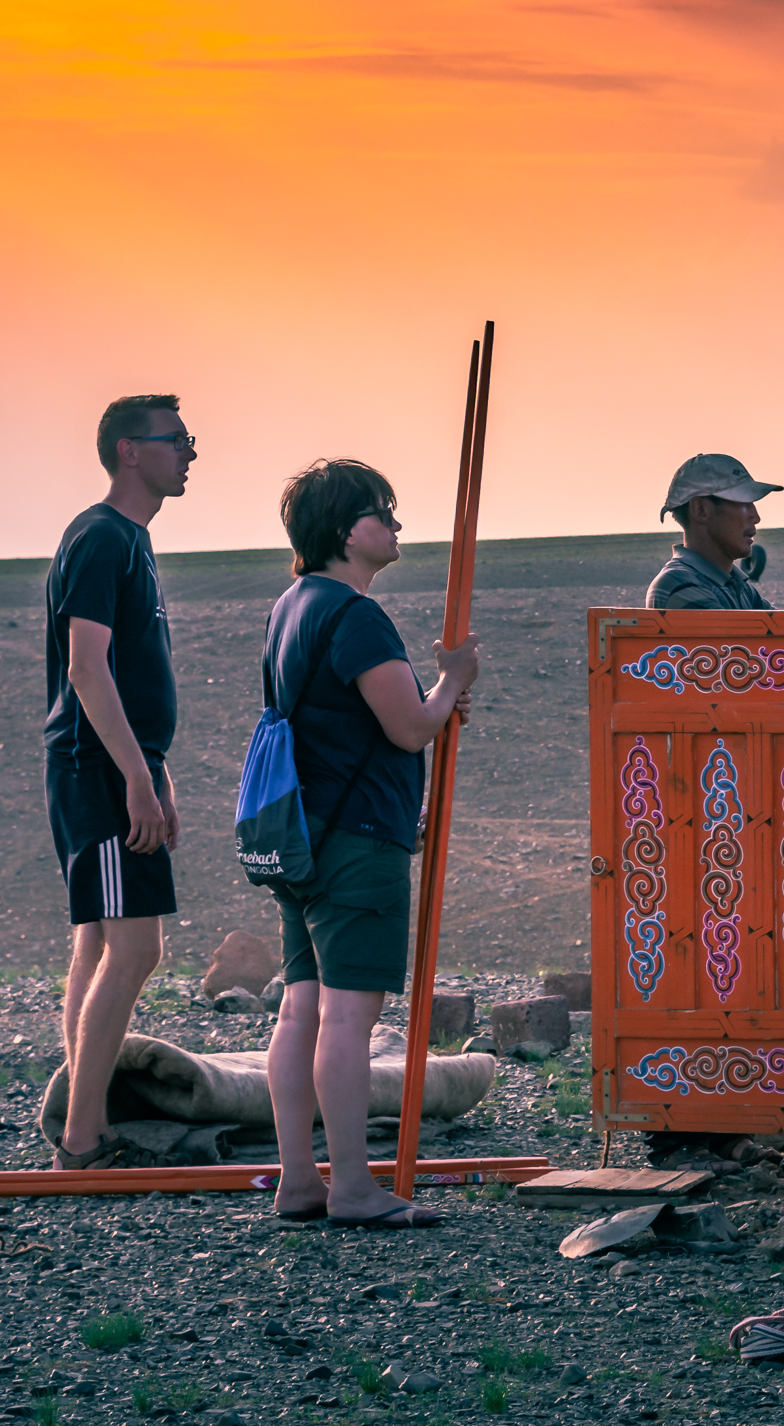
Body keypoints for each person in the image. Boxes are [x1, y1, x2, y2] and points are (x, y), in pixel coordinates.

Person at [261, 460, 481, 1228]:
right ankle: (353, 1187)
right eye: (379, 512)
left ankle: (301, 1180)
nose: (394, 523)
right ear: (344, 530)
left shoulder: (290, 606)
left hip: (303, 841)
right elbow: (409, 725)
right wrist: (452, 681)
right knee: (348, 1018)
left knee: (301, 1010)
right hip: (356, 845)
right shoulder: (355, 616)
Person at [44, 394, 197, 1170]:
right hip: (98, 771)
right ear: (130, 451)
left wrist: (156, 772)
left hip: (118, 768)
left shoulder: (128, 540)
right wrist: (135, 775)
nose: (191, 452)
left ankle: (84, 1119)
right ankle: (81, 1136)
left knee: (100, 941)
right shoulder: (102, 537)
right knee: (136, 948)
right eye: (176, 440)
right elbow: (86, 666)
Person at [643, 453, 782, 1165]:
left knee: (733, 947)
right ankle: (685, 1121)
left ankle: (721, 1112)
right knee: (701, 949)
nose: (754, 515)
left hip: (734, 799)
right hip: (699, 803)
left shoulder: (725, 583)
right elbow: (746, 678)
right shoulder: (683, 592)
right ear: (701, 511)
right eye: (740, 504)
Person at [647, 454, 780, 609]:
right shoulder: (680, 585)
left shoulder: (743, 590)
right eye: (743, 503)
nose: (756, 517)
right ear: (701, 510)